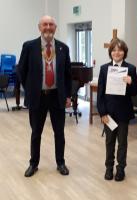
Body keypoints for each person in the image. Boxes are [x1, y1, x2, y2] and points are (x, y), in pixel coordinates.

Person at [18, 15, 72, 177]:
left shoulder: (63, 48)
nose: (48, 27)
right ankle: (33, 163)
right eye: (45, 24)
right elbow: (21, 70)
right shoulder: (29, 46)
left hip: (57, 96)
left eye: (51, 24)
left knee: (59, 132)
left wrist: (68, 95)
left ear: (55, 28)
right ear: (39, 27)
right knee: (36, 132)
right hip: (37, 96)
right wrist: (29, 89)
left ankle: (60, 162)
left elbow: (67, 74)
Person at [97, 38, 137, 181]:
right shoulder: (104, 69)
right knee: (109, 141)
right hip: (109, 113)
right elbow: (100, 94)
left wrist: (131, 82)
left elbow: (134, 92)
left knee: (122, 142)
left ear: (124, 52)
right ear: (110, 52)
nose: (117, 52)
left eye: (120, 50)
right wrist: (102, 113)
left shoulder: (131, 69)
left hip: (123, 113)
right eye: (114, 50)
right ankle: (109, 168)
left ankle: (120, 169)